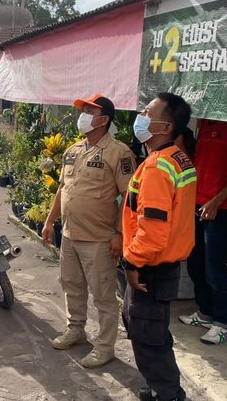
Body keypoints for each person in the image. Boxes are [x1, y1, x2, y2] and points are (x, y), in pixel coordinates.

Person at [42, 93, 136, 368]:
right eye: (83, 110)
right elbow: (63, 189)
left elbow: (129, 197)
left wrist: (119, 233)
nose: (82, 115)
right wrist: (49, 222)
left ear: (104, 119)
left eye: (89, 111)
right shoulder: (73, 151)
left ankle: (105, 346)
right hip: (70, 235)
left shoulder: (119, 153)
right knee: (71, 286)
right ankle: (76, 329)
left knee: (104, 296)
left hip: (99, 238)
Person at [122, 93, 196, 401]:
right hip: (162, 264)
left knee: (147, 334)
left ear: (164, 126)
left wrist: (131, 263)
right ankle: (162, 388)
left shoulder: (158, 167)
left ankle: (167, 394)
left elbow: (152, 232)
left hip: (150, 266)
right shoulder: (179, 158)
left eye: (147, 111)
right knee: (151, 330)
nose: (140, 115)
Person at [178, 119, 227, 345]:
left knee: (214, 268)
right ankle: (205, 312)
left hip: (220, 209)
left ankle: (222, 323)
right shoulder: (204, 124)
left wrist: (216, 201)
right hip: (197, 203)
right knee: (195, 261)